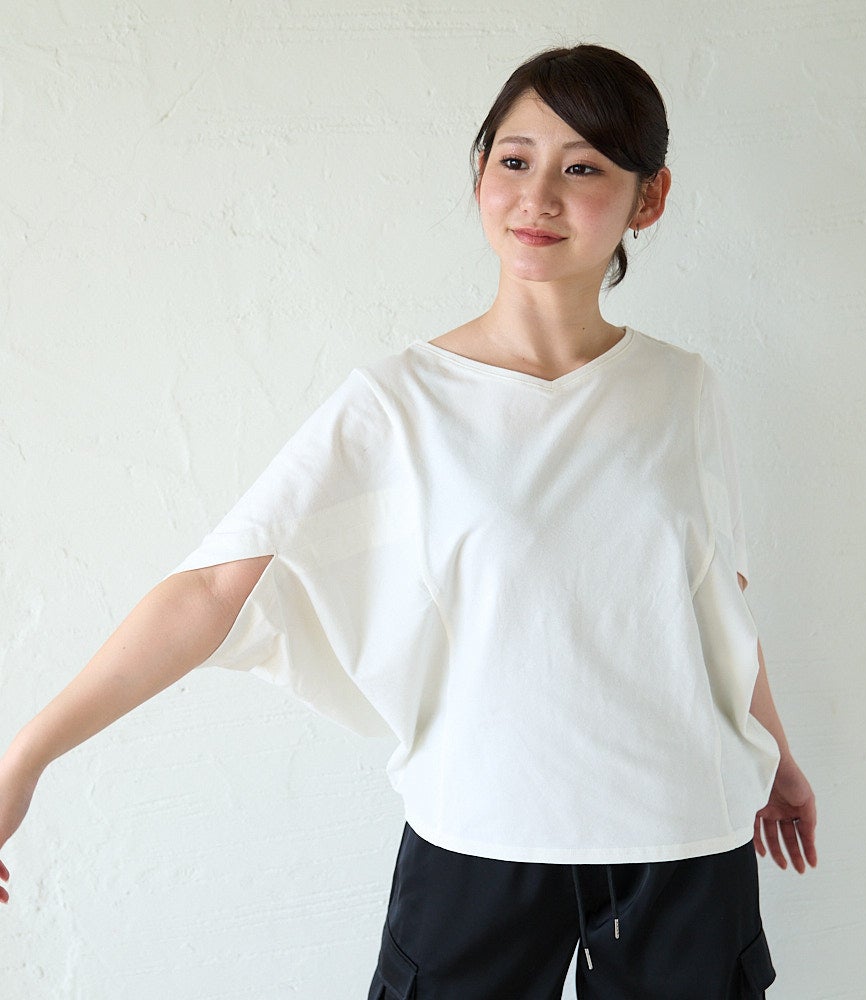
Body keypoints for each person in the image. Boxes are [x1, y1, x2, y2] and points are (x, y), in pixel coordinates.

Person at [0, 43, 817, 999]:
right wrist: (26, 761)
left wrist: (776, 755)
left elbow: (716, 599)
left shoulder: (683, 388)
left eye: (583, 167)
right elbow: (217, 586)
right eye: (515, 160)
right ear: (480, 173)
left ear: (651, 197)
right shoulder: (398, 401)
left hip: (685, 831)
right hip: (480, 832)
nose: (538, 197)